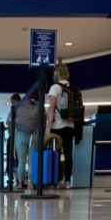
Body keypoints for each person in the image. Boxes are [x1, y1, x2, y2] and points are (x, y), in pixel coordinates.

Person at [44, 61, 77, 189]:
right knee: (68, 154)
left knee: (56, 154)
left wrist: (48, 129)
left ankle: (56, 180)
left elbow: (51, 109)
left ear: (57, 74)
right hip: (70, 126)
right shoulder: (73, 88)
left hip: (57, 127)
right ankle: (67, 181)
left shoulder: (55, 88)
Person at [6, 92, 35, 189]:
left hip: (19, 136)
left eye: (13, 102)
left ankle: (20, 183)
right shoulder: (29, 108)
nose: (12, 105)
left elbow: (9, 125)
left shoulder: (14, 110)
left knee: (21, 161)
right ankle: (32, 182)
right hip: (32, 136)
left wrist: (12, 136)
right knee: (31, 161)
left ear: (16, 101)